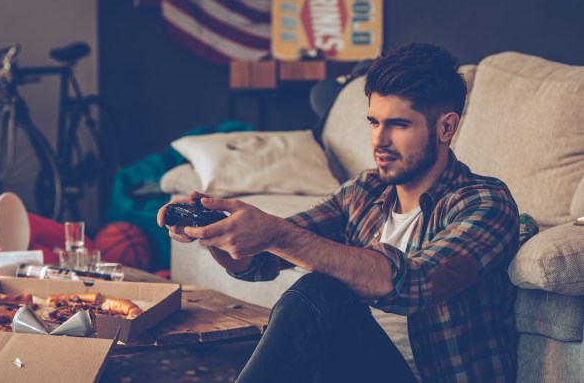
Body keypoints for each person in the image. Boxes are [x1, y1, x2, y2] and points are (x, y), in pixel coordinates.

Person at [157, 43, 521, 382]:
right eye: (374, 122)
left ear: (446, 127)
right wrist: (218, 234)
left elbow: (415, 285)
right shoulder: (365, 191)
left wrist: (274, 233)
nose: (379, 140)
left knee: (322, 291)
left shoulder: (485, 203)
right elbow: (261, 260)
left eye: (398, 124)